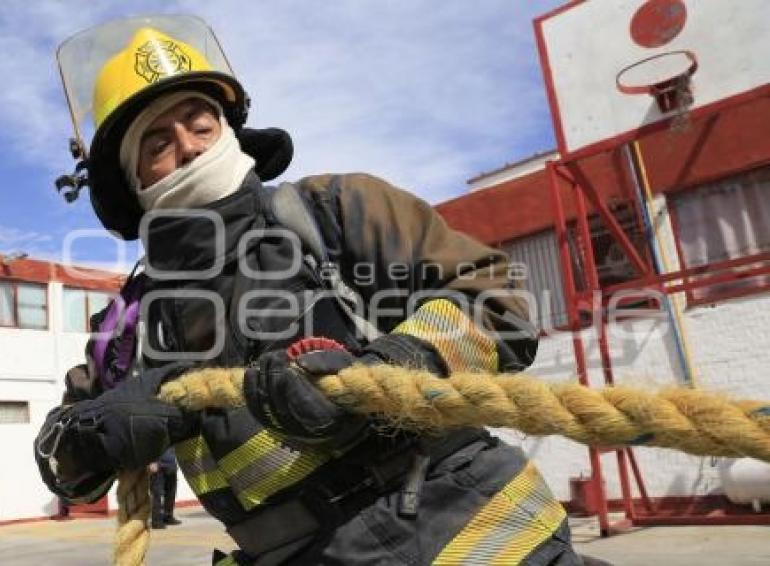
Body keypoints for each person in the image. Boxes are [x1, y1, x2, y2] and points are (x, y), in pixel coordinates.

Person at [35, 16, 583, 565]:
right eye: (157, 141)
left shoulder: (332, 211)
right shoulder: (128, 330)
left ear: (228, 129)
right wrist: (90, 435)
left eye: (201, 124)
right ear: (133, 182)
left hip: (489, 539)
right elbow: (63, 471)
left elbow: (498, 304)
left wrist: (386, 368)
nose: (189, 147)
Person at [149, 448, 181, 529]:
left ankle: (168, 517)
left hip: (171, 465)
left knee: (171, 493)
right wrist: (151, 462)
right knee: (157, 494)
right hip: (158, 466)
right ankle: (156, 521)